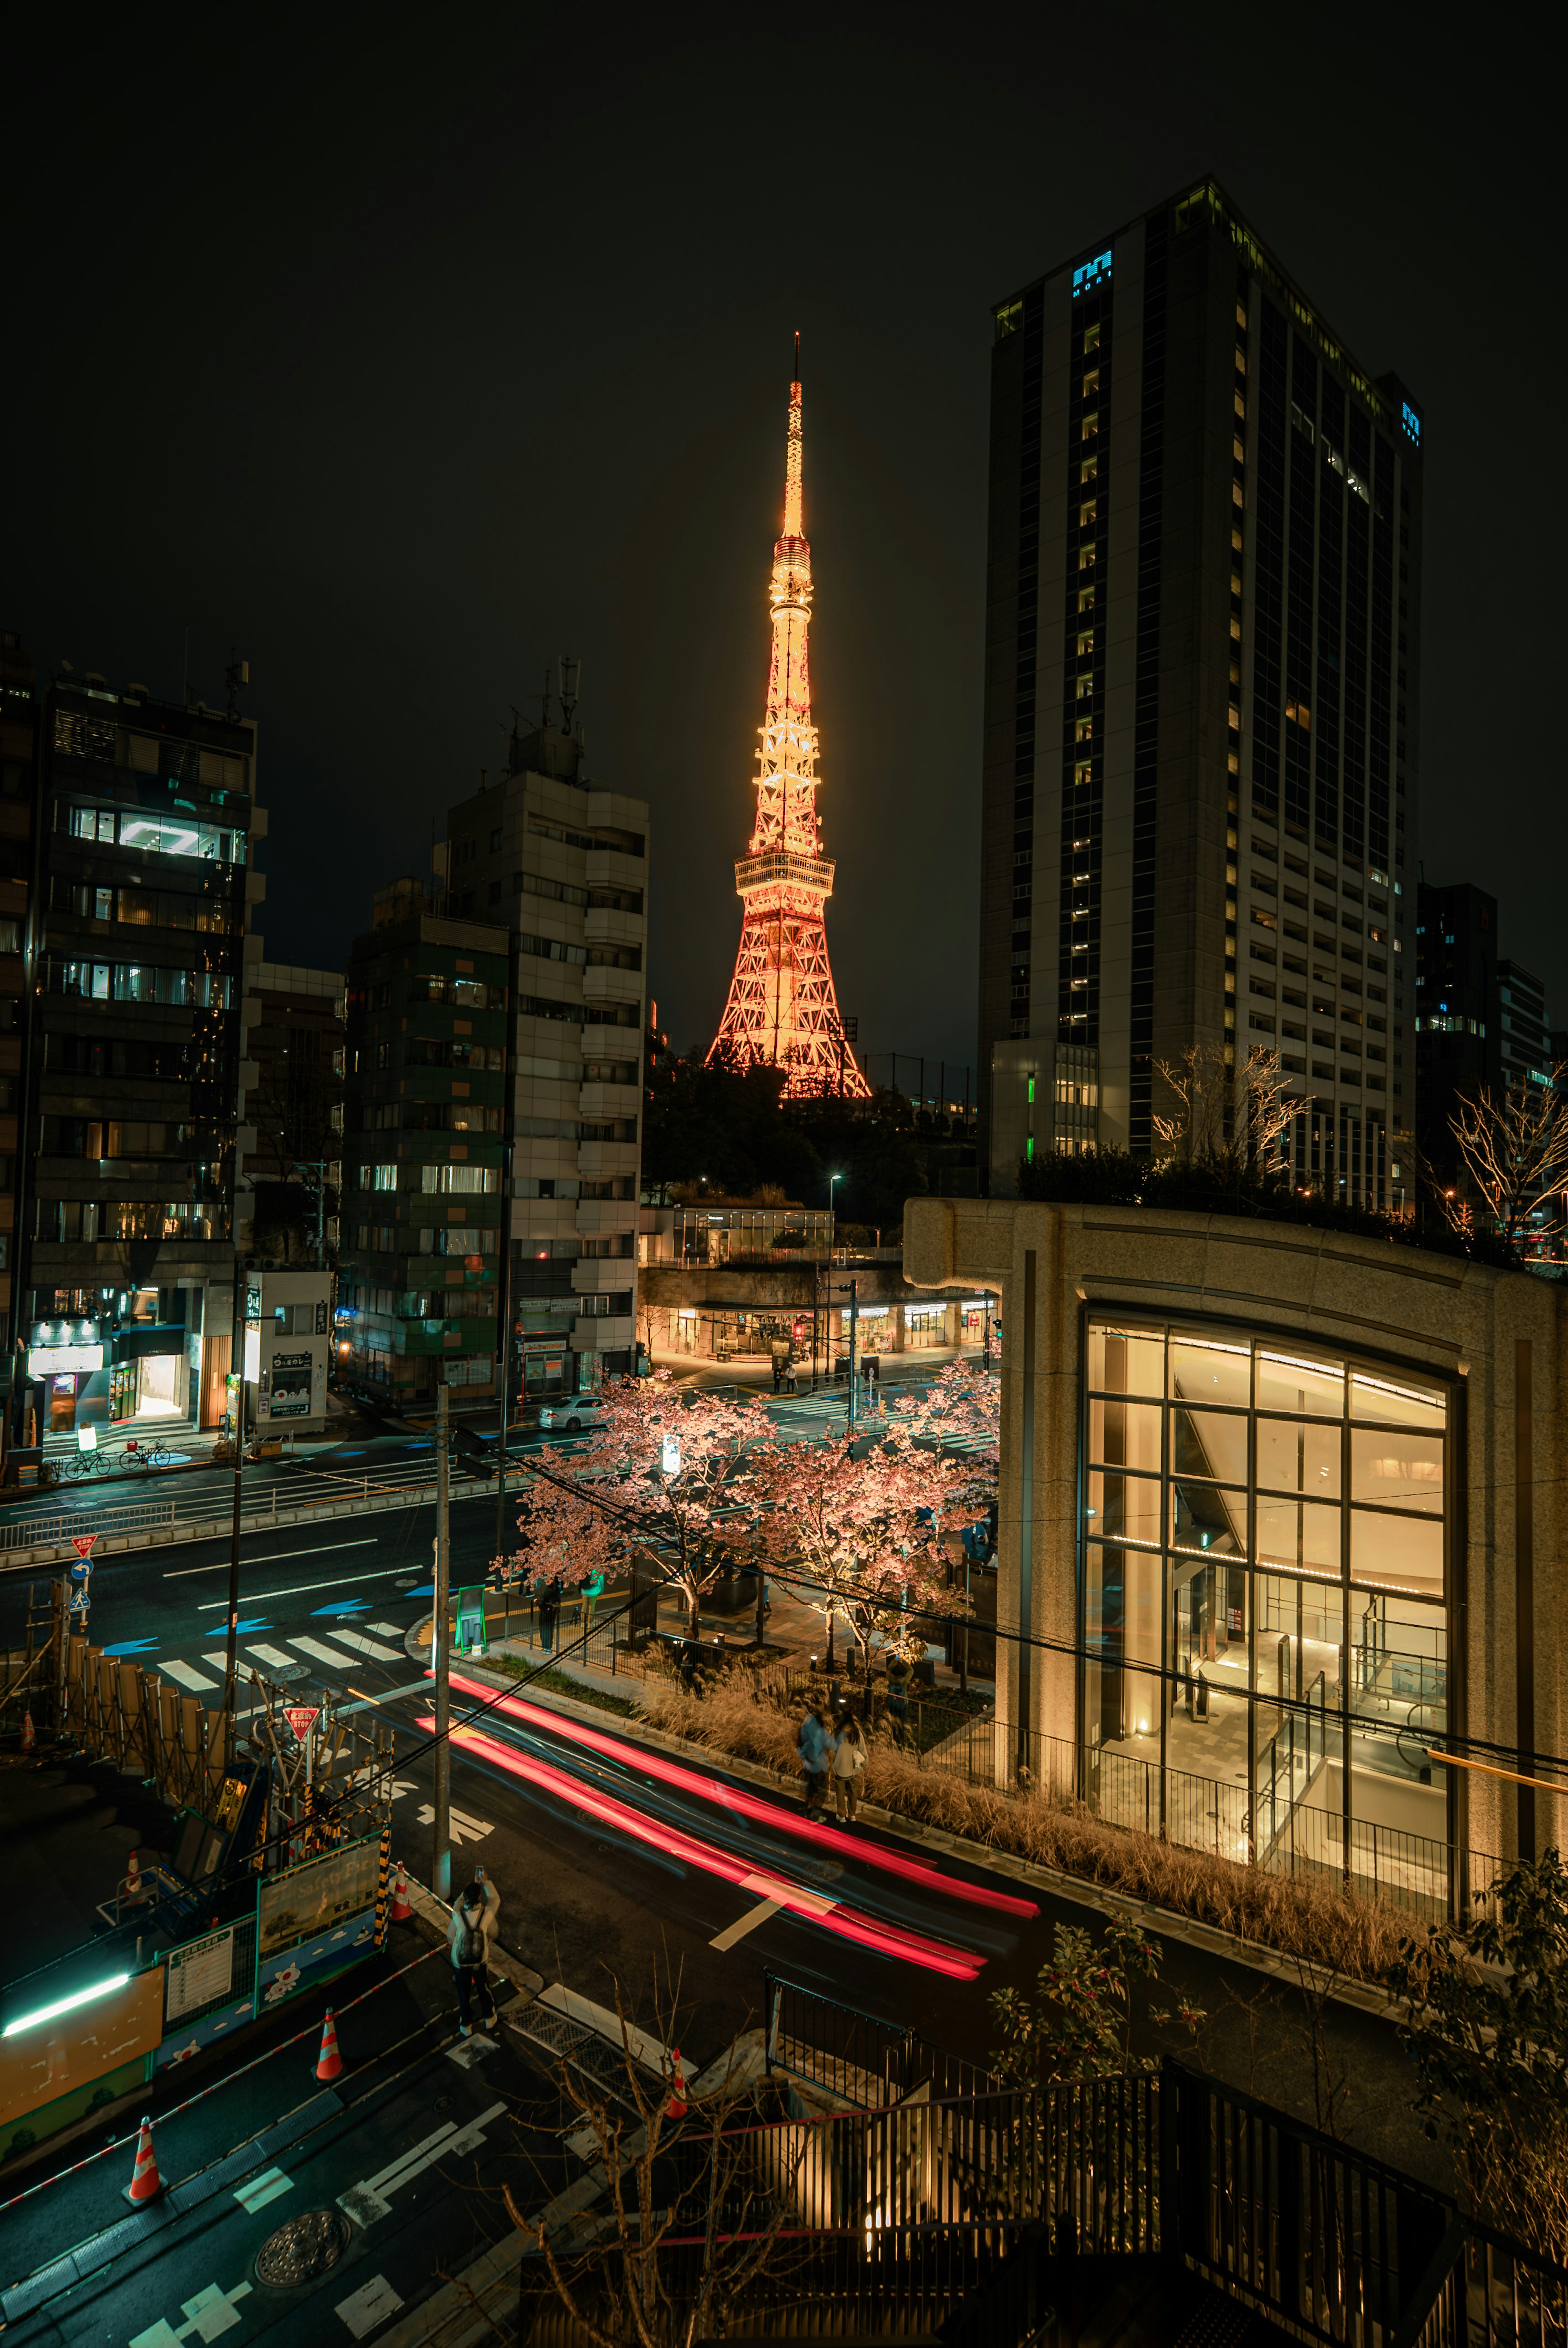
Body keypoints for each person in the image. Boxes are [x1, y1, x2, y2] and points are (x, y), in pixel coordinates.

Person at [448, 1869, 500, 2036]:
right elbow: (495, 1899)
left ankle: (466, 2026)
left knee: (463, 1991)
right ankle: (489, 2018)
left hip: (460, 1960)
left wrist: (470, 1890)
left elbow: (450, 1935)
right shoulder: (486, 1914)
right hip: (479, 1960)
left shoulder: (458, 1914)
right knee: (483, 1987)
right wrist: (484, 1882)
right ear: (479, 1898)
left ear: (465, 1898)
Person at [830, 1714, 867, 1823]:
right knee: (853, 1791)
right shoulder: (857, 1734)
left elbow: (832, 1747)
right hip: (853, 1768)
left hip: (839, 1767)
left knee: (840, 1792)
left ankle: (842, 1816)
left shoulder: (837, 1734)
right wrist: (864, 1762)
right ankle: (852, 1815)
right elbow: (863, 1751)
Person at [797, 1704, 830, 1818]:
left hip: (809, 1766)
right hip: (820, 1766)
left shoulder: (808, 1732)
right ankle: (815, 1815)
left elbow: (802, 1748)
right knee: (820, 1790)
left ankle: (808, 1809)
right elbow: (829, 1746)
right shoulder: (824, 1733)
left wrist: (803, 1756)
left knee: (810, 1788)